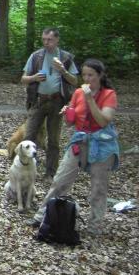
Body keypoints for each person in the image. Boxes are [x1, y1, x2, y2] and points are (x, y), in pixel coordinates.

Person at [26, 59, 120, 235]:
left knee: (98, 188)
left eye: (90, 75)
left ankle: (94, 226)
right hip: (80, 141)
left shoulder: (109, 95)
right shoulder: (78, 92)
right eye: (84, 75)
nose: (87, 78)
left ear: (100, 75)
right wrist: (67, 113)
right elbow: (70, 123)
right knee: (60, 180)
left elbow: (102, 120)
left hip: (102, 145)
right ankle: (41, 216)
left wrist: (90, 98)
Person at [21, 28, 79, 180]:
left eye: (50, 40)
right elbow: (23, 79)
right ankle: (25, 169)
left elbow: (75, 81)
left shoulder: (65, 57)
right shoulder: (36, 56)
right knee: (28, 136)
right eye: (44, 39)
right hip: (38, 100)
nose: (46, 43)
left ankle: (50, 172)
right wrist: (33, 77)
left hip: (57, 101)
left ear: (57, 40)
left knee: (53, 140)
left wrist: (63, 71)